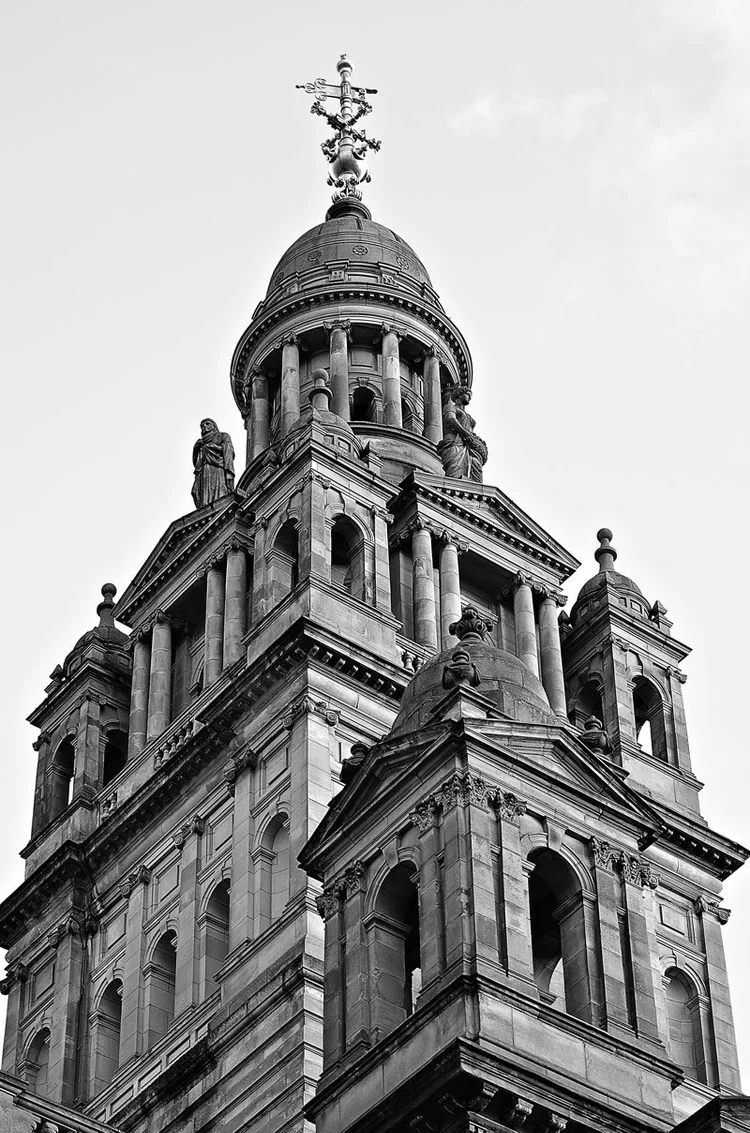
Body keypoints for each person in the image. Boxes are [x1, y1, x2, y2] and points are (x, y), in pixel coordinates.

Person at [437, 387, 488, 482]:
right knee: (455, 473)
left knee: (476, 465)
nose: (470, 398)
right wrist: (463, 432)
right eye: (468, 395)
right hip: (454, 442)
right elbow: (450, 418)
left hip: (467, 446)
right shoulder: (450, 407)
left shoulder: (467, 415)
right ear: (460, 395)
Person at [191, 419, 235, 508]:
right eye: (202, 426)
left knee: (218, 491)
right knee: (196, 491)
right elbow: (196, 461)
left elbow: (229, 450)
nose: (204, 427)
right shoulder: (201, 442)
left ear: (214, 426)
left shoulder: (222, 436)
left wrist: (214, 447)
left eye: (207, 424)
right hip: (203, 470)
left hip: (217, 468)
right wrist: (196, 449)